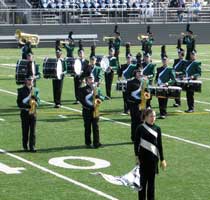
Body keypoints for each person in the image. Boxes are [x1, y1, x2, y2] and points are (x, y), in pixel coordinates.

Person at [134, 109, 167, 200]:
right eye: (151, 116)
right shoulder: (140, 128)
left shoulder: (157, 129)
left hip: (153, 160)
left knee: (151, 184)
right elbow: (136, 143)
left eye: (154, 116)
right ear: (145, 117)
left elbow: (159, 145)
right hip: (143, 159)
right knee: (142, 184)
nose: (153, 118)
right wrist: (136, 156)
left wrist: (162, 159)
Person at [78, 75, 104, 148]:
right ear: (86, 80)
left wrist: (99, 99)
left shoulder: (97, 89)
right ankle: (88, 142)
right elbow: (82, 100)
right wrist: (90, 107)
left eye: (92, 78)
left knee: (96, 127)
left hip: (95, 111)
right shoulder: (82, 89)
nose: (91, 80)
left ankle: (97, 142)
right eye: (89, 78)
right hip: (87, 111)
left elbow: (102, 97)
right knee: (87, 127)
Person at [17, 76, 40, 152]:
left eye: (32, 80)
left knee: (33, 131)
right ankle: (25, 146)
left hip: (33, 113)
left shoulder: (36, 90)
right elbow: (19, 103)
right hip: (25, 113)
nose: (31, 81)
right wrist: (28, 102)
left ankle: (32, 147)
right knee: (25, 130)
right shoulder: (21, 90)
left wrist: (36, 101)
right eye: (29, 80)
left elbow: (39, 102)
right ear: (26, 80)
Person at [155, 46, 176, 119]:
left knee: (164, 100)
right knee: (160, 100)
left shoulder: (170, 69)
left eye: (165, 60)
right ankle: (161, 113)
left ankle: (163, 113)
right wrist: (156, 82)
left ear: (168, 60)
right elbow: (157, 77)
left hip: (166, 87)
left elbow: (173, 79)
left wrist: (167, 83)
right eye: (163, 60)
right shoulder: (159, 69)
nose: (164, 61)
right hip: (159, 86)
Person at [126, 69, 145, 142]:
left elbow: (147, 92)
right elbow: (127, 96)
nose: (140, 73)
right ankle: (134, 138)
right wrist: (136, 101)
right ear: (135, 73)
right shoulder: (130, 82)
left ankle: (141, 137)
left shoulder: (144, 82)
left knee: (142, 122)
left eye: (141, 72)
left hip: (143, 106)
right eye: (138, 72)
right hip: (134, 106)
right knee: (134, 122)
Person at [172, 40, 187, 107]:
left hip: (180, 78)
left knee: (177, 90)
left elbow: (184, 71)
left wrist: (178, 73)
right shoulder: (176, 60)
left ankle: (178, 102)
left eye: (180, 53)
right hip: (175, 77)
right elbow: (173, 68)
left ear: (182, 54)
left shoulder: (184, 62)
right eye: (178, 53)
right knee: (174, 90)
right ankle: (177, 102)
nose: (179, 54)